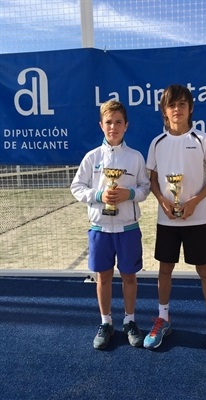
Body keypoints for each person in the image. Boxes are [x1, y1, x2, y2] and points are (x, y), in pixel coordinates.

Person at [143, 84, 206, 359]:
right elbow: (152, 181)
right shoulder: (156, 143)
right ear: (164, 110)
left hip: (197, 220)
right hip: (167, 221)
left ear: (190, 108)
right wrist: (161, 199)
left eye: (182, 104)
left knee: (205, 271)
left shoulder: (202, 139)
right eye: (172, 105)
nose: (177, 109)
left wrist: (194, 201)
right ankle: (163, 319)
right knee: (165, 270)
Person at [71, 100, 150, 350]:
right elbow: (76, 187)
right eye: (108, 122)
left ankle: (129, 320)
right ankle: (106, 322)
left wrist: (130, 195)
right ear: (101, 125)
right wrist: (98, 196)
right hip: (100, 229)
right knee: (103, 277)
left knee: (129, 276)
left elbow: (145, 188)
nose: (113, 127)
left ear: (126, 126)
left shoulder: (135, 157)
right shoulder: (91, 157)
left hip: (128, 228)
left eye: (118, 122)